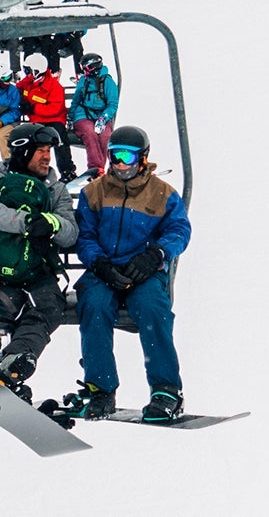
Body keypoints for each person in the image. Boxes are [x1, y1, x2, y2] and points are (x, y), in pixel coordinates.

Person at [65, 126, 192, 423]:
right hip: (105, 270)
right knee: (94, 306)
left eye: (127, 156)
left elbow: (179, 230)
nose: (120, 164)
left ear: (143, 158)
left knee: (152, 308)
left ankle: (166, 389)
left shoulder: (162, 193)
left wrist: (155, 255)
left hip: (143, 271)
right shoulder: (94, 192)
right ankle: (101, 387)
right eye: (115, 156)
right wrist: (98, 263)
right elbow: (85, 235)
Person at [0, 124, 77, 400]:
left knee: (49, 307)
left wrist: (51, 223)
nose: (47, 157)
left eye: (48, 151)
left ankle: (18, 360)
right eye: (40, 151)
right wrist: (25, 222)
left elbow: (70, 234)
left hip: (38, 273)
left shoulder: (56, 189)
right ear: (23, 152)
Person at [19, 65, 77, 181]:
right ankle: (30, 170)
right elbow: (18, 88)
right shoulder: (28, 83)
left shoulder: (54, 86)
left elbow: (55, 108)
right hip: (36, 120)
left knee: (59, 139)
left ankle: (67, 170)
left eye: (28, 70)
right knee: (30, 140)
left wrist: (33, 108)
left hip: (54, 119)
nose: (27, 73)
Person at [70, 53, 119, 177]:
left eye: (85, 68)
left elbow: (112, 104)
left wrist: (103, 118)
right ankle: (95, 168)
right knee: (90, 133)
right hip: (83, 114)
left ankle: (108, 169)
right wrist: (70, 116)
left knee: (105, 136)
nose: (84, 72)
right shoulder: (84, 81)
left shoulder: (107, 82)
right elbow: (76, 99)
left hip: (101, 115)